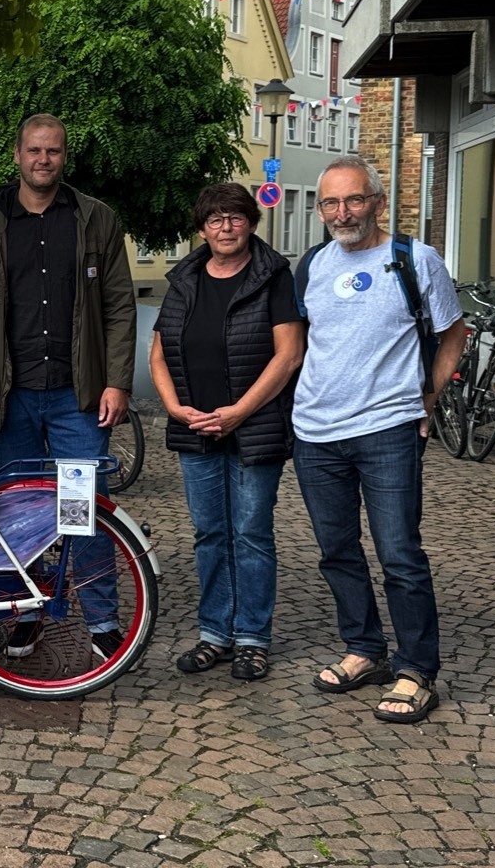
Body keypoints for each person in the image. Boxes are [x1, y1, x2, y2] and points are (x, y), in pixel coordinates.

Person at [295, 156, 467, 724]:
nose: (342, 212)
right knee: (337, 552)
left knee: (399, 553)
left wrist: (429, 396)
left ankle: (416, 668)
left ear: (379, 202)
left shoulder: (415, 259)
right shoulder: (314, 264)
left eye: (354, 200)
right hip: (316, 433)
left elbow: (453, 331)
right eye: (331, 203)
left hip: (387, 429)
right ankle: (363, 649)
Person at [0, 112, 137, 659]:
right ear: (17, 154)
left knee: (82, 511)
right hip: (9, 397)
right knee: (17, 518)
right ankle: (26, 612)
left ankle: (102, 620)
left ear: (65, 156)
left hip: (76, 396)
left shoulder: (94, 220)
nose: (43, 160)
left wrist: (116, 383)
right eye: (34, 151)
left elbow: (118, 306)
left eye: (53, 152)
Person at [149, 184, 304, 682]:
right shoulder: (185, 279)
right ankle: (215, 632)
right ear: (202, 229)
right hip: (197, 428)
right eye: (215, 220)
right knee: (210, 534)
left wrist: (239, 411)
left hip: (252, 427)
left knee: (252, 534)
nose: (226, 228)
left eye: (235, 218)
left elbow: (289, 354)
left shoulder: (273, 277)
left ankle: (253, 637)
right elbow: (159, 351)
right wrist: (175, 407)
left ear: (251, 223)